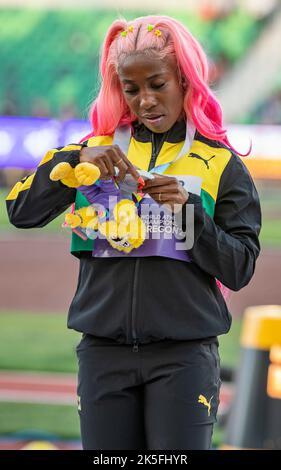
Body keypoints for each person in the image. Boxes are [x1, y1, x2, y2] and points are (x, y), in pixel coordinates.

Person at [6, 15, 261, 450]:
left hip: (184, 357)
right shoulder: (95, 150)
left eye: (157, 84)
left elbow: (239, 267)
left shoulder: (220, 164)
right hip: (102, 352)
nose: (145, 100)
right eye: (132, 88)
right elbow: (21, 212)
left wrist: (191, 213)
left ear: (184, 80)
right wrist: (73, 162)